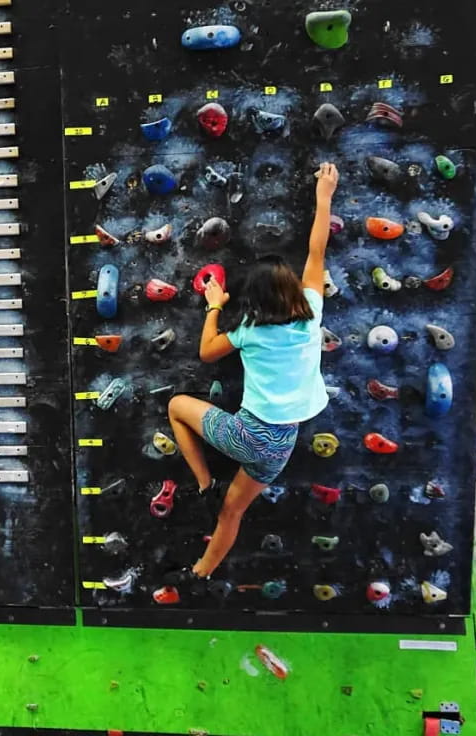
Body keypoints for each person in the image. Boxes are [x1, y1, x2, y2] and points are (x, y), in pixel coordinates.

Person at [160, 161, 339, 597]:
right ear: (292, 290)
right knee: (232, 513)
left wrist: (214, 304)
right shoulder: (312, 313)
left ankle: (203, 482)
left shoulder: (249, 333)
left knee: (176, 407)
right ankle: (200, 574)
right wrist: (324, 197)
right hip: (280, 446)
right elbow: (317, 252)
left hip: (248, 434)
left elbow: (206, 352)